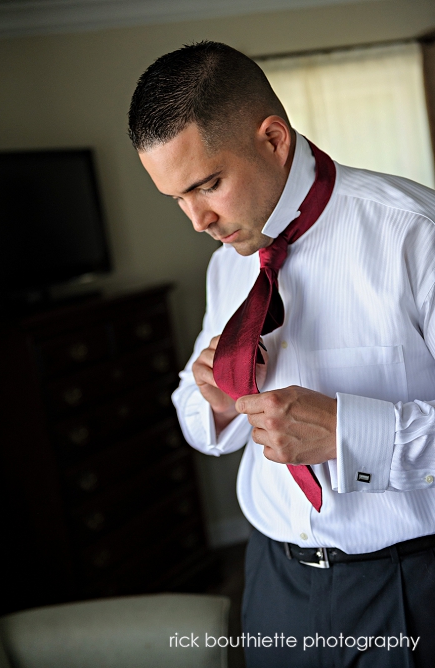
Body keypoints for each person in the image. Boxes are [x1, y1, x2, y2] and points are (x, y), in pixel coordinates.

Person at [128, 41, 435, 668]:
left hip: (408, 586)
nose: (198, 219)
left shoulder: (415, 235)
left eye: (208, 184)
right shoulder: (227, 268)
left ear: (273, 139)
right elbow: (195, 412)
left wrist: (351, 432)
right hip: (274, 584)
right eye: (178, 198)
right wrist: (214, 398)